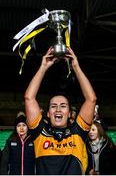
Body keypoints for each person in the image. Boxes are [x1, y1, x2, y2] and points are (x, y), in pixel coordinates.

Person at [24, 47, 96, 175]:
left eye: (63, 106)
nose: (58, 109)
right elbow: (29, 98)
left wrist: (76, 67)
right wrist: (43, 67)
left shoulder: (77, 132)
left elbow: (91, 99)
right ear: (47, 113)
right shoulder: (40, 132)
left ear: (69, 113)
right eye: (53, 106)